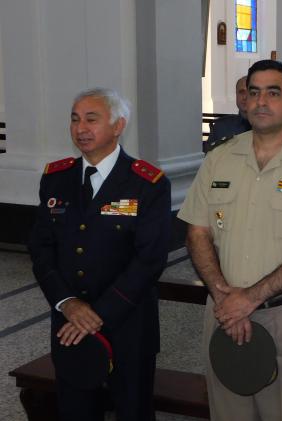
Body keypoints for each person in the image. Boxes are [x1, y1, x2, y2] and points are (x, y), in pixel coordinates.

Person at [178, 59, 282, 421]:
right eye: (253, 92)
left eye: (273, 93)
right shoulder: (220, 158)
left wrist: (249, 299)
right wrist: (226, 296)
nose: (260, 101)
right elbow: (197, 232)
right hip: (224, 310)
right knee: (228, 412)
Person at [28, 88, 172, 421]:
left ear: (118, 125)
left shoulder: (147, 183)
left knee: (133, 410)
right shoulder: (56, 178)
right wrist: (68, 304)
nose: (81, 128)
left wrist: (98, 314)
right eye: (75, 119)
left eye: (91, 119)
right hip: (69, 323)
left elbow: (149, 260)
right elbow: (41, 248)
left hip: (128, 325)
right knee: (75, 410)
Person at [205, 76, 253, 152]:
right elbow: (209, 159)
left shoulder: (270, 127)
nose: (245, 97)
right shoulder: (220, 127)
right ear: (236, 95)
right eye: (241, 92)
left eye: (250, 93)